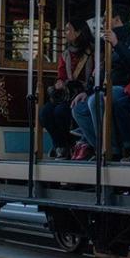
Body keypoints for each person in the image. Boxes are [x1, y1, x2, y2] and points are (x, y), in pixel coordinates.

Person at [71, 7, 130, 160]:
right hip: (105, 88)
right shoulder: (105, 43)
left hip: (125, 87)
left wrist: (116, 44)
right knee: (78, 108)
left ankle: (111, 149)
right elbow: (100, 72)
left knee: (96, 100)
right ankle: (98, 147)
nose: (104, 22)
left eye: (107, 18)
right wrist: (86, 91)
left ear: (117, 19)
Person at [38, 21, 93, 158]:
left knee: (60, 111)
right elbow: (61, 75)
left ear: (78, 32)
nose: (65, 33)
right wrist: (59, 83)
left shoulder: (92, 51)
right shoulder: (66, 54)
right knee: (44, 113)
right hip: (67, 93)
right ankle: (60, 145)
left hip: (83, 92)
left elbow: (94, 75)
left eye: (68, 29)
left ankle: (69, 144)